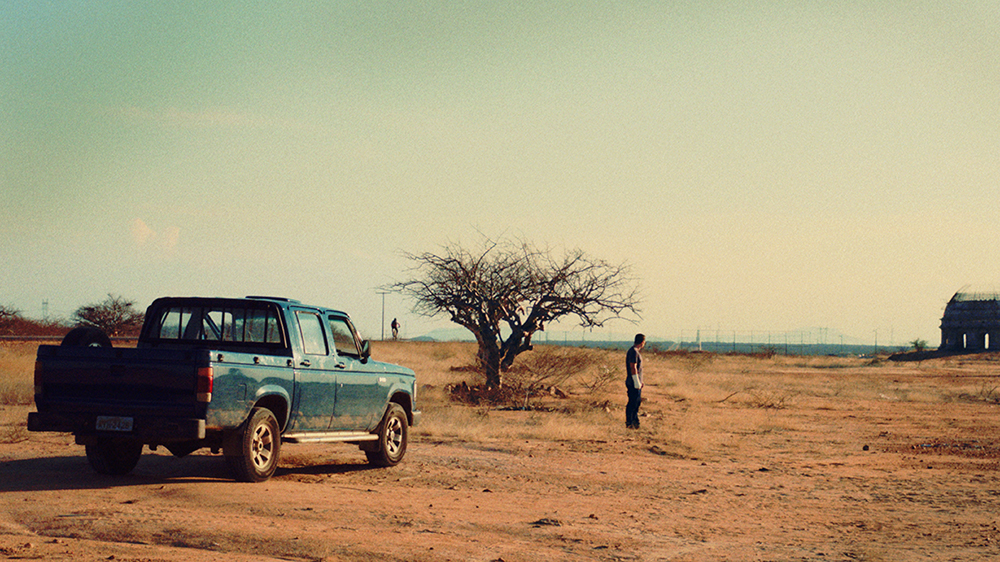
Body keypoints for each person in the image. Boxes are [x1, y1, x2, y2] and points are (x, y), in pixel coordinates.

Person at [625, 333, 645, 429]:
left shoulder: (635, 351)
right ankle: (630, 422)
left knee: (636, 403)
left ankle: (635, 422)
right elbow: (633, 367)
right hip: (633, 382)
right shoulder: (633, 351)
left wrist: (640, 381)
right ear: (642, 342)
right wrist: (636, 381)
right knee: (633, 403)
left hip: (636, 382)